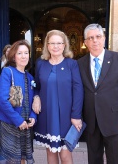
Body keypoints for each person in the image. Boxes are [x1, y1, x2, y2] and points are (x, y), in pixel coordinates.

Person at [77, 23, 118, 164]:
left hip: (115, 121)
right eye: (90, 38)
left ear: (104, 38)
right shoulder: (79, 64)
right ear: (85, 42)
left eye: (98, 36)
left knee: (116, 160)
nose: (95, 40)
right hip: (91, 122)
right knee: (94, 160)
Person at [32, 29, 84, 164]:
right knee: (50, 152)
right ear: (47, 45)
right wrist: (36, 98)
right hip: (47, 115)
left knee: (65, 154)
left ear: (65, 45)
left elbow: (78, 90)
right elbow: (36, 87)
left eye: (59, 43)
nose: (56, 46)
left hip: (67, 117)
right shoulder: (40, 63)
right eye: (52, 43)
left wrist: (76, 115)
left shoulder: (72, 64)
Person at [0, 40, 37, 164]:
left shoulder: (30, 77)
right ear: (13, 56)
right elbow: (1, 100)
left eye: (26, 53)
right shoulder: (8, 72)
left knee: (22, 158)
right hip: (9, 123)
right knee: (10, 160)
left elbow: (33, 99)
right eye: (20, 53)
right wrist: (18, 120)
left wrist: (33, 117)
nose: (24, 56)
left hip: (25, 125)